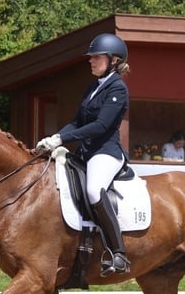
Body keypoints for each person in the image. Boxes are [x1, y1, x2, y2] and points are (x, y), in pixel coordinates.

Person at [36, 33, 131, 276]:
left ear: (113, 60)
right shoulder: (94, 87)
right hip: (87, 152)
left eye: (96, 57)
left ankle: (119, 253)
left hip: (106, 153)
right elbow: (78, 122)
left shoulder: (118, 88)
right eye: (91, 57)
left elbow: (100, 126)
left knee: (93, 189)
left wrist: (63, 139)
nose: (90, 61)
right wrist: (54, 139)